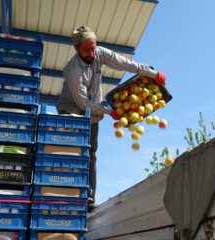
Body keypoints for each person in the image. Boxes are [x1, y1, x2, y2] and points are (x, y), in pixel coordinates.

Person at [57, 25, 166, 212]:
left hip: (93, 113)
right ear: (77, 48)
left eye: (93, 47)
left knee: (91, 155)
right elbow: (83, 103)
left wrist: (151, 73)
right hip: (71, 113)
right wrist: (110, 112)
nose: (92, 52)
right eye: (86, 49)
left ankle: (88, 200)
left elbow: (123, 62)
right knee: (73, 153)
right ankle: (66, 194)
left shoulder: (99, 53)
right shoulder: (72, 70)